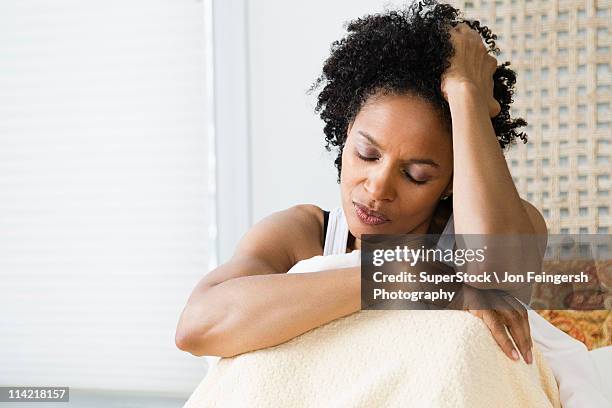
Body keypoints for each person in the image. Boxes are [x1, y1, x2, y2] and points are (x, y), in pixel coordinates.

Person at [175, 0, 546, 366]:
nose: (378, 187)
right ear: (345, 130)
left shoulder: (513, 223)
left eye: (416, 175)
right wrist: (398, 275)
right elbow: (197, 327)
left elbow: (494, 274)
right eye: (367, 154)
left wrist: (465, 94)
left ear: (451, 181)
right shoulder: (301, 235)